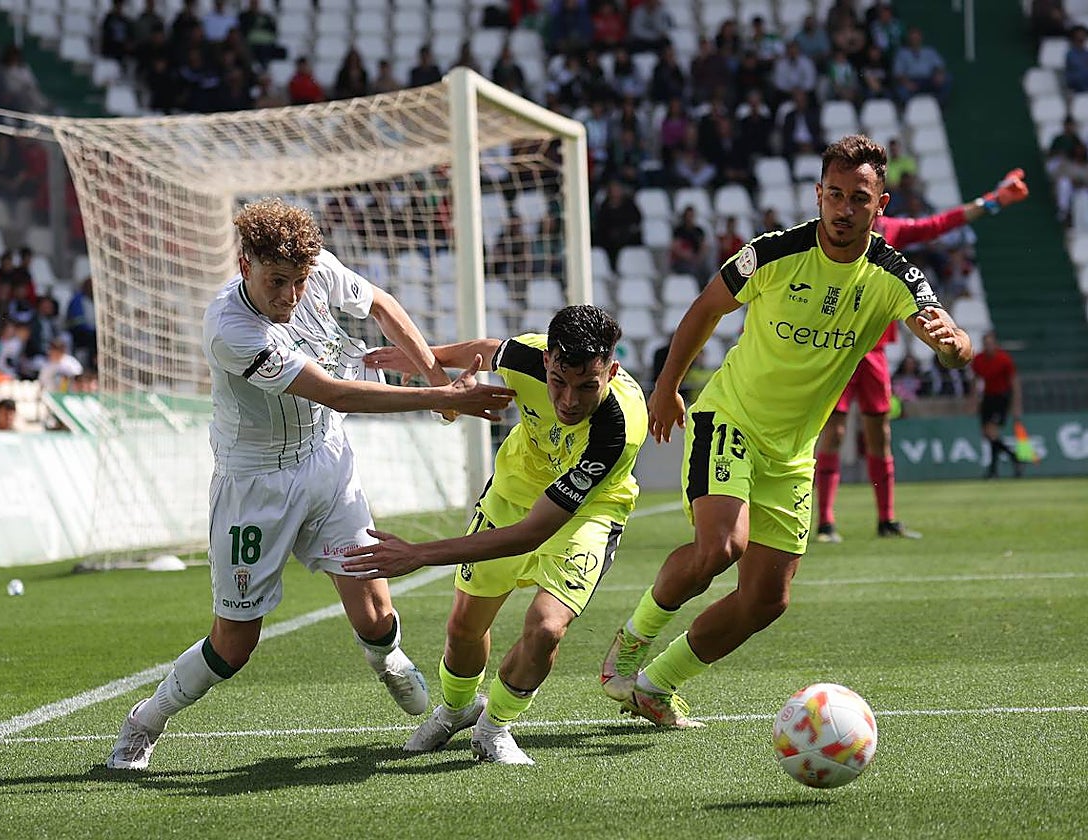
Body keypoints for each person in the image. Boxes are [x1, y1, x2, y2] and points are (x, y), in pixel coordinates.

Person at [106, 199, 514, 771]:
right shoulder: (232, 329)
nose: (290, 297)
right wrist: (445, 398)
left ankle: (391, 660)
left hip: (327, 459)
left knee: (374, 607)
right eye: (277, 282)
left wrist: (435, 378)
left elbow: (381, 304)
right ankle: (145, 721)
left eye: (298, 282)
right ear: (245, 263)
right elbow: (336, 392)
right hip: (256, 485)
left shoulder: (315, 267)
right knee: (234, 644)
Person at [598, 135, 973, 728]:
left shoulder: (892, 273)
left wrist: (953, 347)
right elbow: (705, 307)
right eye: (834, 195)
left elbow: (947, 332)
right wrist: (667, 386)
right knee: (720, 548)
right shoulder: (774, 252)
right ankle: (631, 642)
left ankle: (656, 684)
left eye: (858, 198)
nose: (843, 209)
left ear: (881, 204)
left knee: (766, 601)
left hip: (792, 451)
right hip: (731, 418)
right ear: (818, 194)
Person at [340, 305, 647, 765]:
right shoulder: (527, 355)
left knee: (545, 629)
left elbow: (531, 534)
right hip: (511, 491)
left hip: (589, 512)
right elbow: (487, 351)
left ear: (612, 371)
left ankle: (495, 725)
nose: (568, 400)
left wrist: (421, 553)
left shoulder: (618, 430)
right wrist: (433, 358)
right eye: (558, 382)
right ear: (547, 361)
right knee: (464, 627)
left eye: (587, 387)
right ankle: (457, 710)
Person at [813, 167, 1030, 542]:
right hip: (837, 348)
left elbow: (939, 223)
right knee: (833, 432)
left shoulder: (891, 231)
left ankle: (886, 519)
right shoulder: (830, 234)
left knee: (879, 433)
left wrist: (993, 200)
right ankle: (826, 522)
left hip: (874, 351)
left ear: (878, 202)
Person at [971, 331, 1022, 479]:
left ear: (995, 344)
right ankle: (1007, 461)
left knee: (991, 432)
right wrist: (973, 400)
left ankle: (999, 467)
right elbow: (975, 380)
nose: (988, 346)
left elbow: (1014, 382)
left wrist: (1016, 404)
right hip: (987, 398)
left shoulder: (1004, 359)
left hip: (1001, 398)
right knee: (988, 435)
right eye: (985, 344)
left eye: (990, 343)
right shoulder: (979, 360)